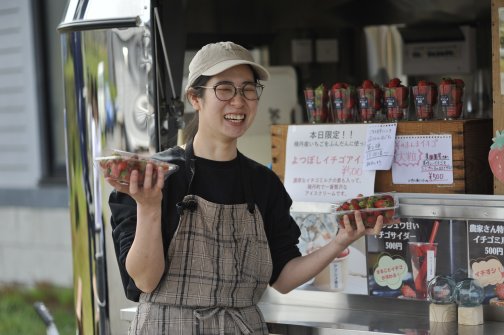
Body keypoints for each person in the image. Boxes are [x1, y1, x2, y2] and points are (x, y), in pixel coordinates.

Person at [108, 41, 384, 335]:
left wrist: (340, 242)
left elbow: (284, 278)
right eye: (224, 88)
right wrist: (149, 206)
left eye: (248, 89)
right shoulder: (154, 177)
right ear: (195, 98)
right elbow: (145, 281)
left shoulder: (263, 183)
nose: (239, 101)